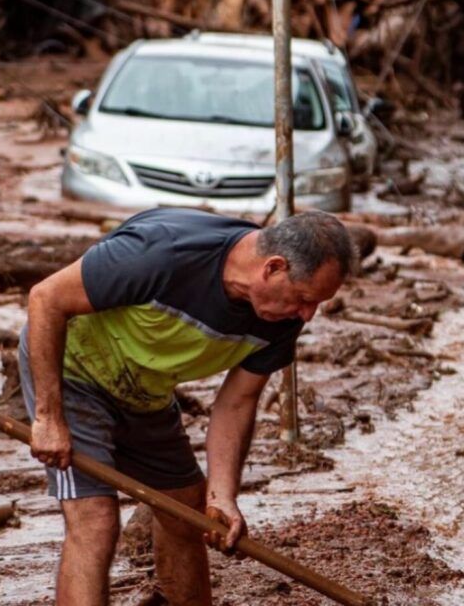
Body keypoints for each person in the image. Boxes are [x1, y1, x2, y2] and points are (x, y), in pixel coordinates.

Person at [19, 207, 354, 606]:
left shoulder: (280, 322)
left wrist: (223, 495)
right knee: (95, 522)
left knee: (186, 512)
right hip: (74, 373)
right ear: (273, 268)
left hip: (145, 391)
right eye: (303, 299)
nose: (307, 315)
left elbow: (237, 403)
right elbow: (46, 298)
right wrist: (48, 417)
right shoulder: (163, 254)